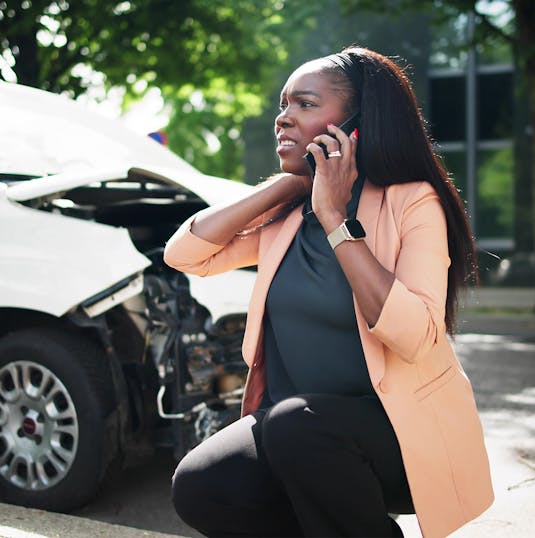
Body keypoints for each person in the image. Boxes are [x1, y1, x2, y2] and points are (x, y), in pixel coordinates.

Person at [163, 46, 493, 538]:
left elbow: (415, 336)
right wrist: (287, 188)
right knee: (200, 486)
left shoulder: (413, 203)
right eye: (283, 104)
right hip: (292, 432)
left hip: (393, 438)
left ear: (355, 124)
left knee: (300, 425)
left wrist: (337, 220)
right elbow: (184, 254)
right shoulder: (291, 215)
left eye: (305, 104)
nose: (283, 118)